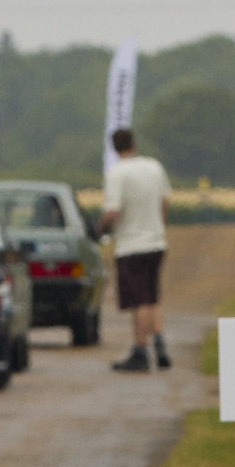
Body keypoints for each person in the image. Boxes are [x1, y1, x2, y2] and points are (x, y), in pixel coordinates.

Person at [99, 128, 171, 373]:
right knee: (152, 295)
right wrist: (158, 226)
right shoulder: (154, 167)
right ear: (133, 143)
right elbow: (164, 201)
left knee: (139, 300)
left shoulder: (117, 173)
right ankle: (159, 340)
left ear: (114, 147)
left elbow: (113, 211)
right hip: (156, 241)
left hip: (131, 244)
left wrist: (100, 229)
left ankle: (141, 350)